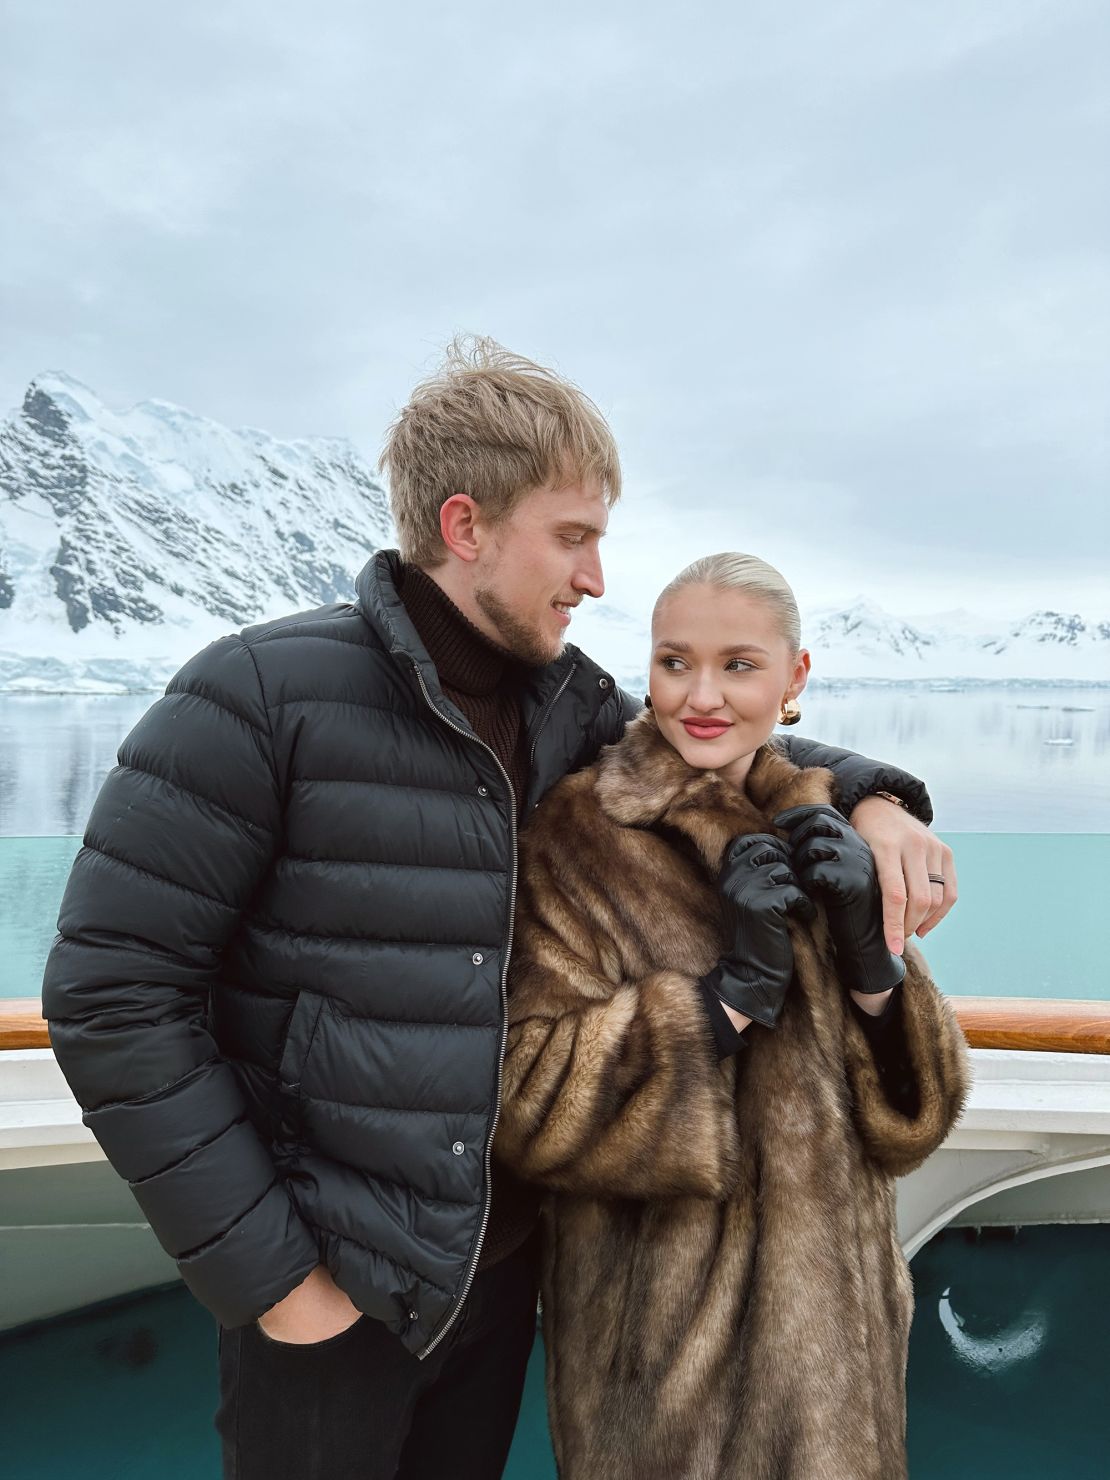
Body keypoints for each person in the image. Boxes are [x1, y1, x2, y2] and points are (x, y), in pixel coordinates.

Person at [42, 343, 954, 1480]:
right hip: (334, 1289)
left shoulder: (568, 705)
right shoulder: (255, 698)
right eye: (573, 538)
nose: (597, 577)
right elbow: (111, 994)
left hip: (500, 1275)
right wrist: (275, 1280)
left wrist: (875, 800)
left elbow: (716, 741)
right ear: (466, 526)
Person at [496, 551, 970, 1480]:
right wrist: (728, 1001)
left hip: (842, 1356)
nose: (700, 696)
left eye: (738, 665)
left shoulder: (825, 821)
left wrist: (876, 970)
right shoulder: (580, 834)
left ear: (795, 679)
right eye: (675, 662)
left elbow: (910, 1125)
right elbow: (528, 1100)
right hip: (668, 1374)